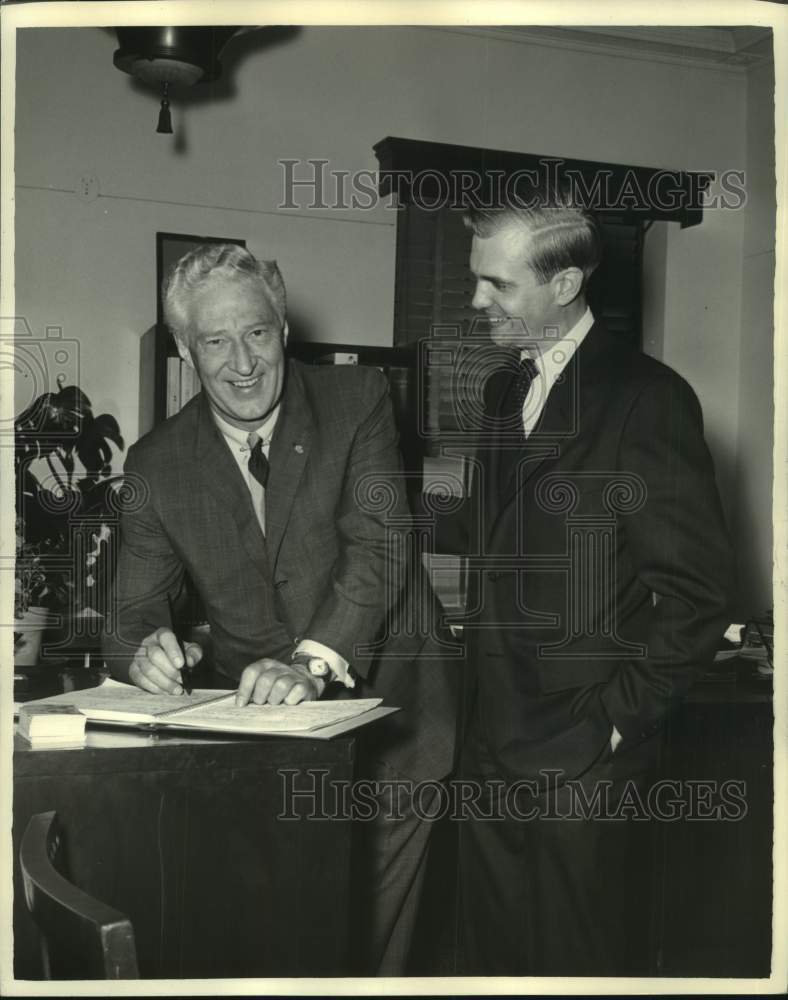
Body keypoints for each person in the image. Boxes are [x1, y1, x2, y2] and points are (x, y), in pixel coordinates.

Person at [102, 243, 458, 975]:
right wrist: (143, 649)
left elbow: (381, 545)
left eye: (257, 333)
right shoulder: (156, 463)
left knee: (368, 931)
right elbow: (132, 613)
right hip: (263, 728)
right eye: (215, 340)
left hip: (397, 703)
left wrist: (311, 661)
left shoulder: (357, 403)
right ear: (183, 349)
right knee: (281, 921)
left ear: (284, 327)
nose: (242, 362)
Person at [444, 189, 734, 975]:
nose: (476, 301)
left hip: (585, 763)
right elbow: (492, 534)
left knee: (580, 971)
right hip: (491, 747)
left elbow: (700, 599)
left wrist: (608, 727)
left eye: (495, 284)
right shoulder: (506, 392)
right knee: (494, 968)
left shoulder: (647, 399)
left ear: (565, 285)